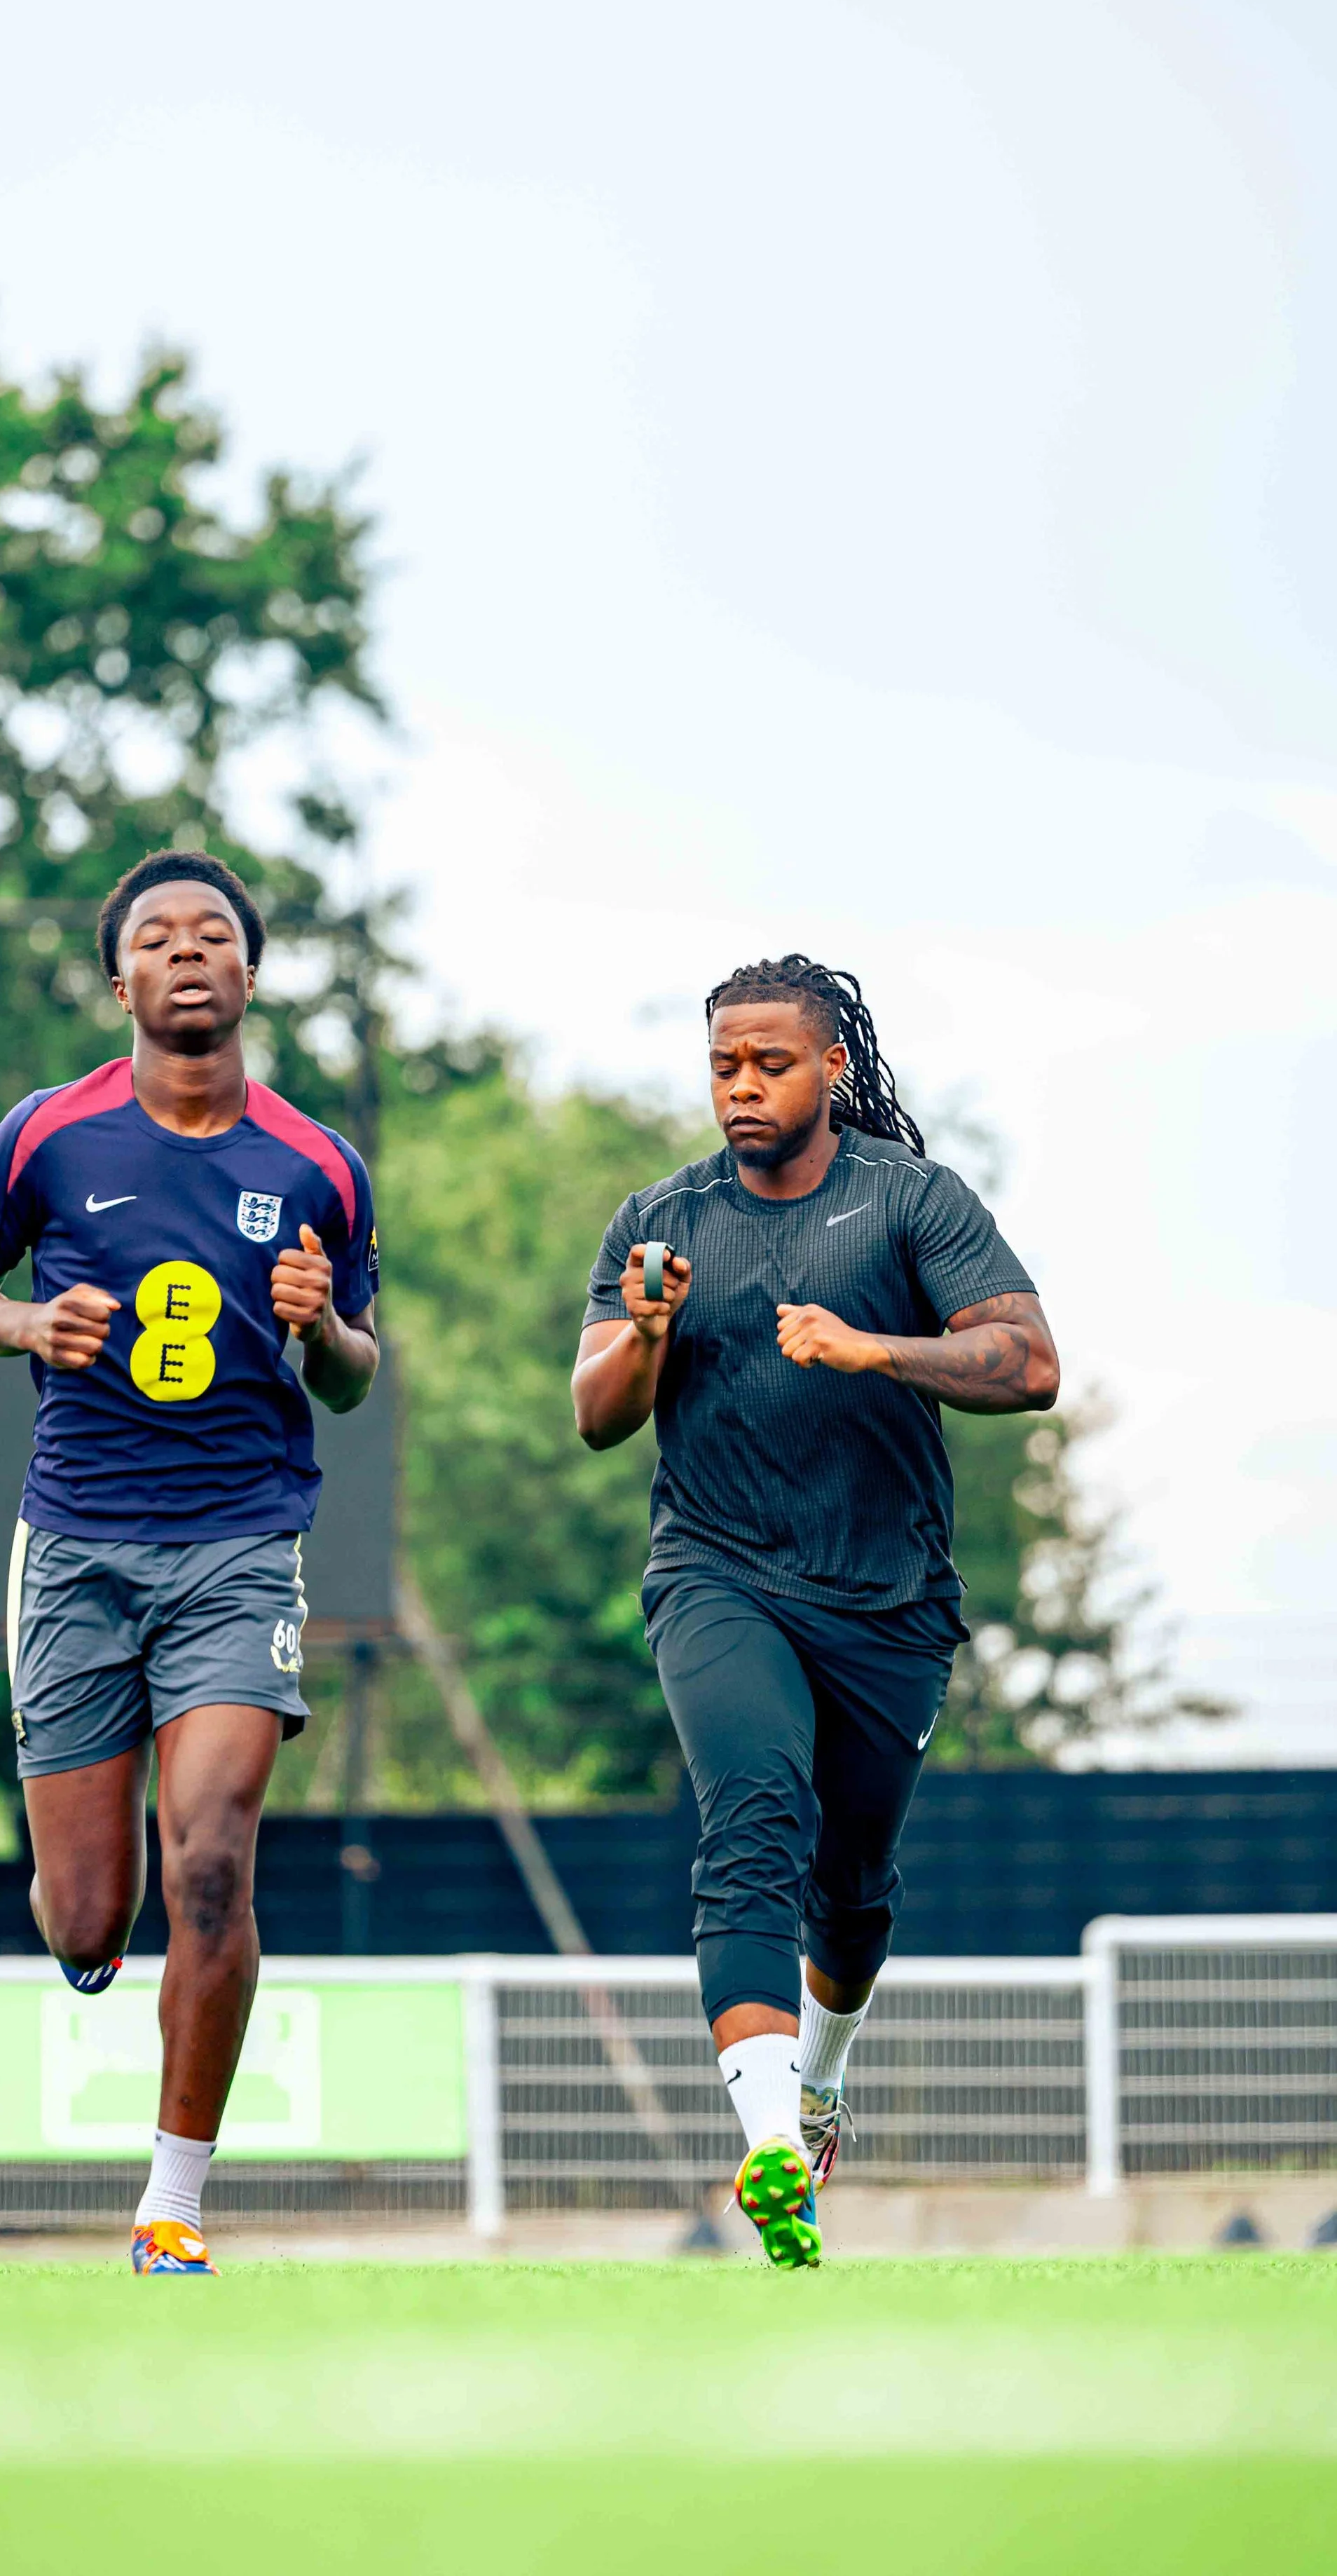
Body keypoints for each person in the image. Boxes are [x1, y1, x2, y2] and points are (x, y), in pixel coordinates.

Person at [0, 850, 379, 2276]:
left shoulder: (316, 1165)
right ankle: (77, 1926)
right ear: (119, 979)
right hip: (73, 1548)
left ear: (248, 975)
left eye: (212, 936)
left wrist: (327, 1331)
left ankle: (171, 2204)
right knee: (90, 1916)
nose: (185, 953)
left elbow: (360, 1375)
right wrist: (24, 1327)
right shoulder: (46, 1136)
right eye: (155, 939)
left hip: (239, 1548)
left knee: (213, 1860)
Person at [572, 955, 1057, 2269]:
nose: (742, 1085)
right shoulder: (659, 1221)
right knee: (754, 1817)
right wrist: (646, 1332)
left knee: (850, 1891)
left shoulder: (913, 1202)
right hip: (715, 1576)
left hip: (888, 1601)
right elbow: (598, 1414)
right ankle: (772, 2142)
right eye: (723, 1063)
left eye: (770, 1062)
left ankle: (823, 2080)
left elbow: (1029, 1363)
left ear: (831, 1064)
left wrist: (874, 1347)